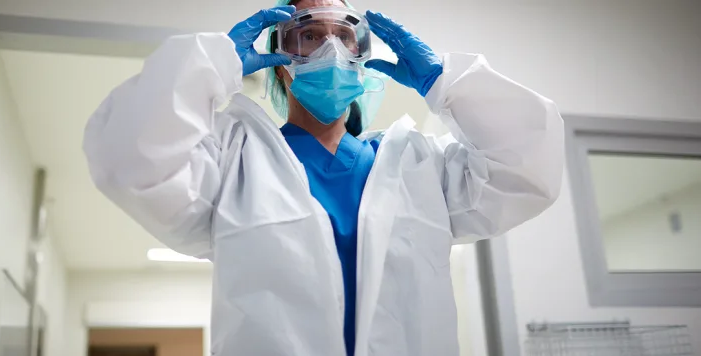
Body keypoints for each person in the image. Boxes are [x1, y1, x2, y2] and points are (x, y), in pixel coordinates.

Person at [82, 0, 564, 354]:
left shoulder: (420, 166)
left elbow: (528, 167)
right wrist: (213, 65)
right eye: (309, 35)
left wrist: (445, 82)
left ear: (362, 54)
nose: (331, 48)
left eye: (345, 36)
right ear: (281, 60)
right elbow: (130, 160)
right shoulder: (232, 162)